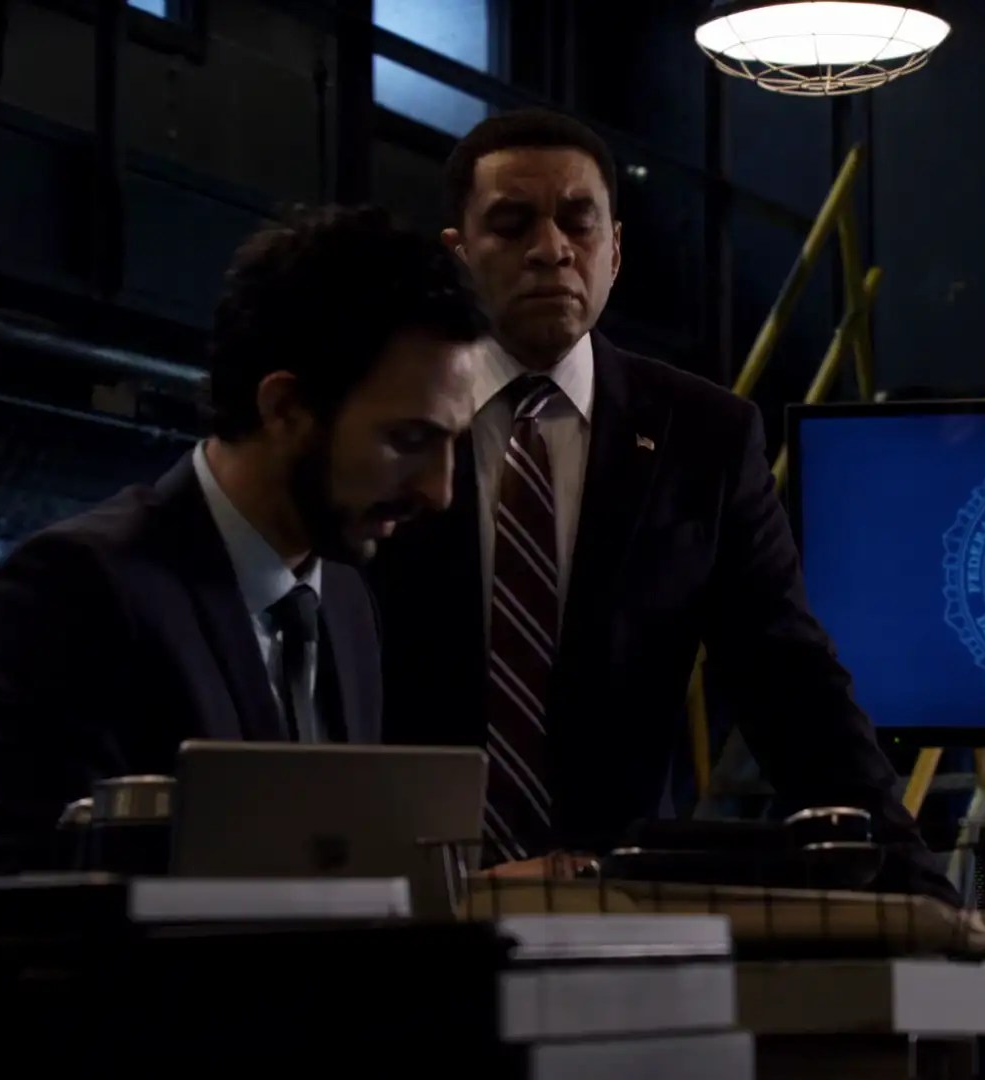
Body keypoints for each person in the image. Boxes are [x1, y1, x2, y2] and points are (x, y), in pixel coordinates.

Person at [371, 108, 954, 899]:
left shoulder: (704, 434)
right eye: (512, 225)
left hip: (620, 901)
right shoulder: (388, 417)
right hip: (403, 894)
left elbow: (790, 681)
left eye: (578, 221)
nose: (551, 249)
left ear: (615, 249)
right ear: (459, 253)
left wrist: (921, 890)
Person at [0, 206, 484, 875]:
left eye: (454, 444)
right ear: (285, 408)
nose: (440, 491)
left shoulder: (346, 601)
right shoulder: (73, 592)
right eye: (409, 439)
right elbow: (23, 905)